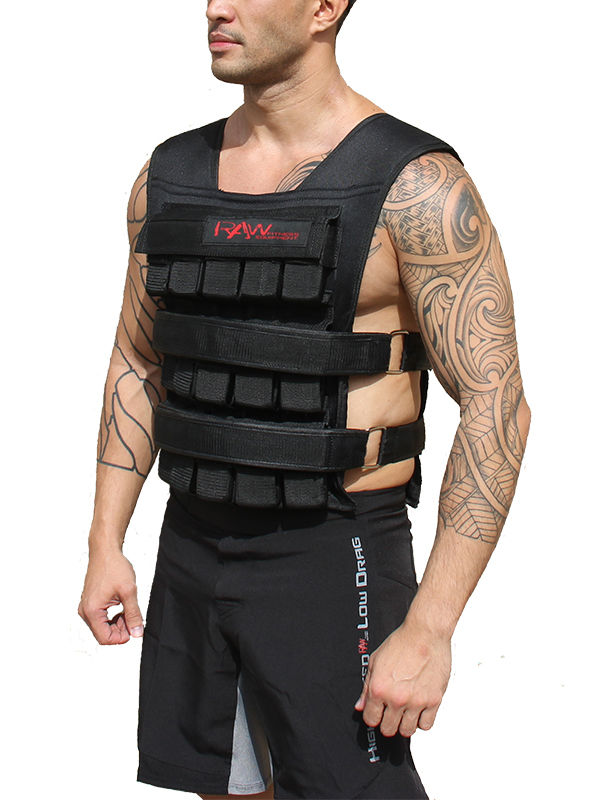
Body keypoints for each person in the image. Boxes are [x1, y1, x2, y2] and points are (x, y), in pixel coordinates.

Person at [78, 1, 531, 798]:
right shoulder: (168, 176)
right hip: (191, 542)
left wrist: (431, 626)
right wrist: (105, 540)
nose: (216, 7)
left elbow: (497, 404)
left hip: (332, 551)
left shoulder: (417, 186)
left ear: (326, 8)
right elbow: (138, 359)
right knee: (226, 787)